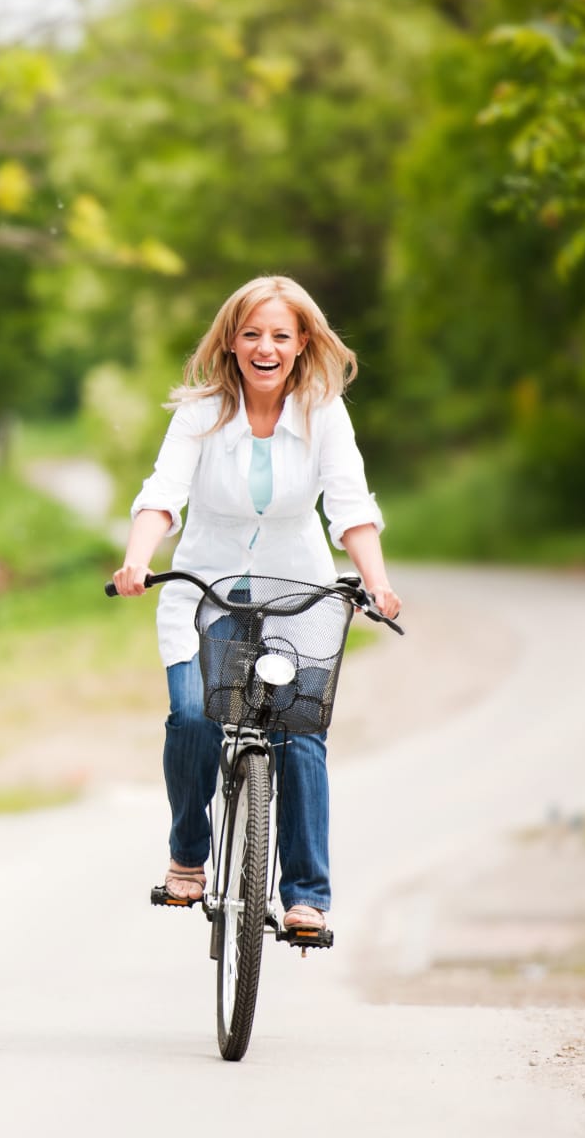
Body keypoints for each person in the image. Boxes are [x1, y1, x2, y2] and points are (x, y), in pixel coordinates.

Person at [110, 275, 402, 937]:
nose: (264, 347)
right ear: (231, 342)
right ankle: (189, 850)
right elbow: (164, 492)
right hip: (204, 592)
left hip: (296, 596)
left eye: (279, 334)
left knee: (300, 734)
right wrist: (137, 557)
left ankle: (305, 895)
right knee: (192, 717)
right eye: (251, 334)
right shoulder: (202, 411)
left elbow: (350, 505)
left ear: (302, 343)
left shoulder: (323, 411)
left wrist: (376, 583)